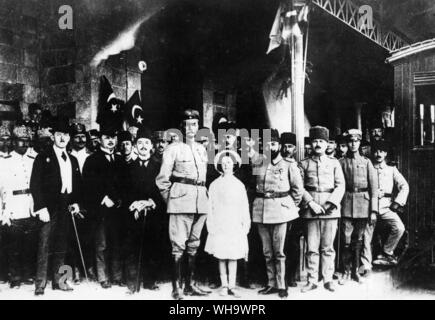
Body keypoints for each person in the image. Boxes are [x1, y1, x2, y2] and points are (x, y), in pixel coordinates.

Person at [156, 109, 211, 300]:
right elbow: (162, 180)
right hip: (181, 202)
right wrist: (172, 200)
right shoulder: (173, 149)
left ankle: (191, 285)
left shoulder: (201, 149)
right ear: (182, 127)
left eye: (194, 124)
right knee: (178, 245)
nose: (191, 128)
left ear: (198, 126)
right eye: (187, 125)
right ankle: (176, 288)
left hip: (200, 202)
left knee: (194, 244)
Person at [30, 117, 83, 295]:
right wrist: (41, 207)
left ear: (69, 138)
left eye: (66, 135)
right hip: (48, 207)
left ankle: (59, 282)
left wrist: (76, 202)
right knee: (44, 245)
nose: (62, 138)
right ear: (53, 136)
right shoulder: (43, 156)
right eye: (59, 134)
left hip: (65, 206)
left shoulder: (73, 160)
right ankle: (40, 284)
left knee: (62, 245)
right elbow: (35, 184)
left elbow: (77, 186)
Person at [250, 128, 304, 298]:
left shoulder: (289, 165)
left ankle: (282, 285)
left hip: (281, 211)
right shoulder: (258, 162)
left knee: (279, 251)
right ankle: (270, 283)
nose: (270, 147)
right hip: (261, 210)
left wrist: (288, 207)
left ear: (279, 146)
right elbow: (254, 186)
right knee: (267, 251)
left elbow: (298, 191)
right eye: (267, 144)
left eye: (273, 144)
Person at [298, 126, 345, 293]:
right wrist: (311, 203)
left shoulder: (334, 164)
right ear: (311, 144)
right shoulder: (303, 164)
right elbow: (299, 187)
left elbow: (341, 186)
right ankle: (312, 280)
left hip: (330, 210)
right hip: (310, 211)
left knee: (328, 247)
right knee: (312, 248)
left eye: (321, 141)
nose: (318, 144)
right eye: (315, 141)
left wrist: (329, 204)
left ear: (327, 144)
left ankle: (328, 279)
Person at [82, 124, 124, 289]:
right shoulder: (92, 160)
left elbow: (125, 183)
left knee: (116, 241)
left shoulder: (120, 159)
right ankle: (102, 276)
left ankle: (117, 275)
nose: (110, 141)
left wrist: (119, 199)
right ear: (99, 140)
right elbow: (88, 185)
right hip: (100, 209)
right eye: (107, 138)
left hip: (117, 209)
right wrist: (102, 198)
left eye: (113, 138)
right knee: (102, 244)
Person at [122, 127, 163, 294]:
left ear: (152, 146)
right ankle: (133, 282)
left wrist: (149, 202)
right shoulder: (128, 167)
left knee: (152, 246)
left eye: (147, 143)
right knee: (132, 247)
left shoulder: (159, 166)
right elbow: (123, 190)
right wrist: (133, 204)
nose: (143, 146)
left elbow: (163, 189)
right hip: (133, 212)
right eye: (140, 143)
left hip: (153, 213)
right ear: (135, 146)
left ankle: (150, 281)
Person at [205, 150, 250, 298]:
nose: (226, 165)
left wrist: (245, 224)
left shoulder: (239, 185)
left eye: (229, 163)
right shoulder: (214, 185)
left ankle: (232, 285)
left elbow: (244, 206)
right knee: (221, 254)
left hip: (234, 224)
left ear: (234, 164)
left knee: (233, 254)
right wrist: (211, 224)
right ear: (220, 165)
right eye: (223, 163)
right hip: (219, 223)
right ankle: (224, 285)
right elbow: (210, 206)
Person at [0, 125, 39, 288]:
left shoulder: (33, 160)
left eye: (27, 141)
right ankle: (15, 276)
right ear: (14, 142)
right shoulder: (5, 161)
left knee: (29, 243)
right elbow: (2, 188)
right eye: (21, 141)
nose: (24, 144)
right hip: (13, 206)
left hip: (30, 204)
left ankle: (27, 274)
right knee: (14, 244)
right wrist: (4, 211)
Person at [338, 129, 378, 285]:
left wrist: (373, 211)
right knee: (346, 239)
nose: (353, 144)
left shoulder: (367, 163)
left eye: (356, 141)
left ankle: (355, 272)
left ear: (359, 142)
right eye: (350, 141)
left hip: (363, 204)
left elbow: (374, 189)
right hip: (346, 203)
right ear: (347, 143)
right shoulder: (341, 162)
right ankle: (345, 271)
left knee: (358, 240)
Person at [368, 141, 409, 267]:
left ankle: (386, 252)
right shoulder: (368, 167)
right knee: (365, 235)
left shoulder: (391, 170)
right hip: (369, 207)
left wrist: (397, 202)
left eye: (381, 151)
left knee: (399, 228)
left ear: (385, 153)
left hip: (386, 207)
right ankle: (365, 261)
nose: (378, 154)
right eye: (376, 151)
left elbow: (404, 186)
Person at [280, 132, 302, 287]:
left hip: (292, 210)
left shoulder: (294, 165)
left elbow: (297, 190)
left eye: (290, 146)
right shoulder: (277, 163)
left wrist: (293, 205)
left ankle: (291, 277)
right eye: (285, 146)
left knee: (292, 244)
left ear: (295, 149)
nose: (287, 149)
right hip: (279, 210)